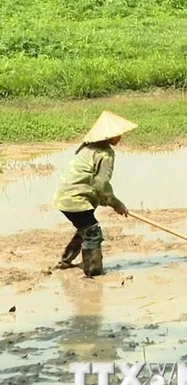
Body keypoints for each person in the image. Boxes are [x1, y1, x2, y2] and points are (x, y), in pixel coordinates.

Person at [52, 111, 137, 277]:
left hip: (64, 197)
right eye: (117, 134)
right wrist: (115, 203)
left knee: (85, 229)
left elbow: (96, 185)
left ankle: (65, 261)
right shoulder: (105, 154)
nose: (120, 137)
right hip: (76, 199)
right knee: (92, 232)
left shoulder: (87, 148)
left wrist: (109, 201)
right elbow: (101, 185)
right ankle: (93, 273)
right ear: (108, 136)